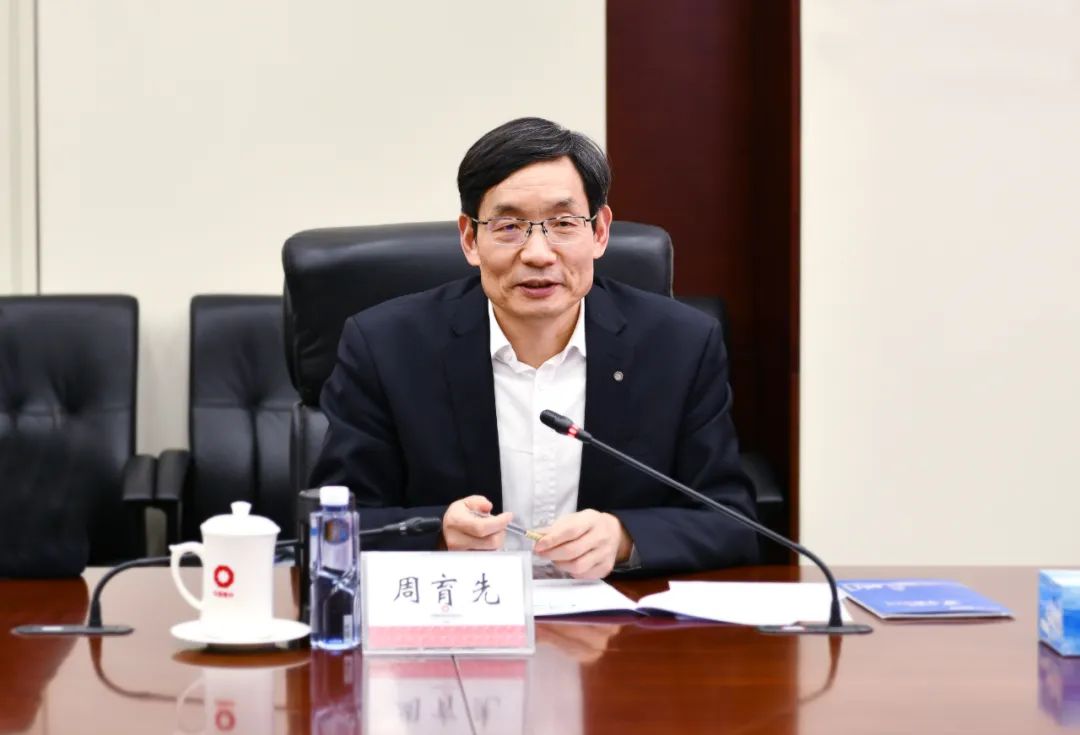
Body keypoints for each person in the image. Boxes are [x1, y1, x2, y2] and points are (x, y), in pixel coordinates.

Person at [310, 117, 757, 577]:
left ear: (600, 232)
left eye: (563, 223)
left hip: (615, 615)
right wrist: (437, 533)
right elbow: (332, 525)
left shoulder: (679, 346)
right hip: (459, 610)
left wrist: (624, 538)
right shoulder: (387, 347)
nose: (538, 253)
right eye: (509, 226)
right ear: (470, 238)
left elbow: (733, 522)